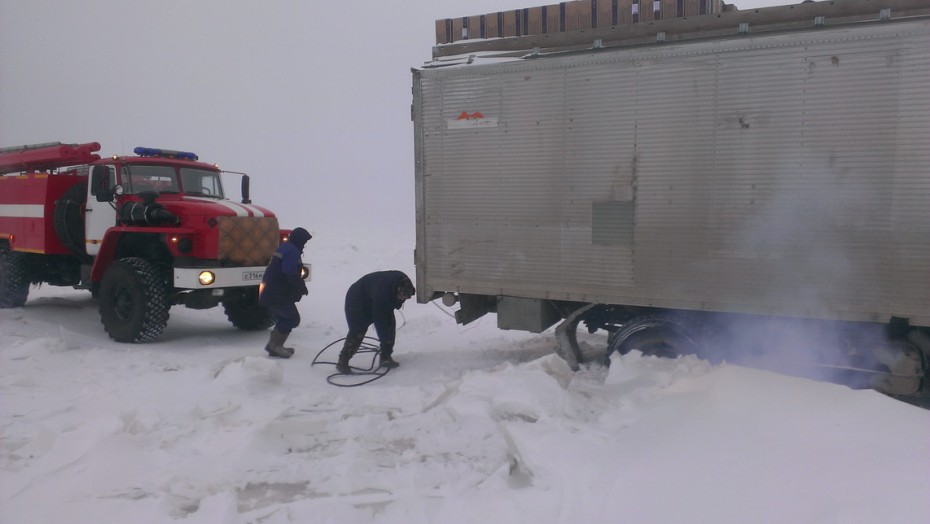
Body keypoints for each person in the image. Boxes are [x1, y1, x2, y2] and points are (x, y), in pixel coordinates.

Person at [336, 270, 415, 373]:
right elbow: (380, 320)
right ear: (397, 290)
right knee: (358, 331)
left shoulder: (403, 283)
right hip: (357, 299)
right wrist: (385, 338)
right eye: (401, 296)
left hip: (374, 295)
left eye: (405, 298)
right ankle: (342, 362)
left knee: (390, 325)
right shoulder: (383, 293)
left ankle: (385, 357)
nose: (402, 299)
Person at [259, 227, 312, 358]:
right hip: (276, 293)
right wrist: (300, 286)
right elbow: (289, 272)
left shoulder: (286, 247)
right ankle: (275, 346)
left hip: (271, 292)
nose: (304, 245)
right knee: (292, 318)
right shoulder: (292, 251)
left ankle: (274, 346)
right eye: (304, 241)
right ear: (298, 240)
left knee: (284, 318)